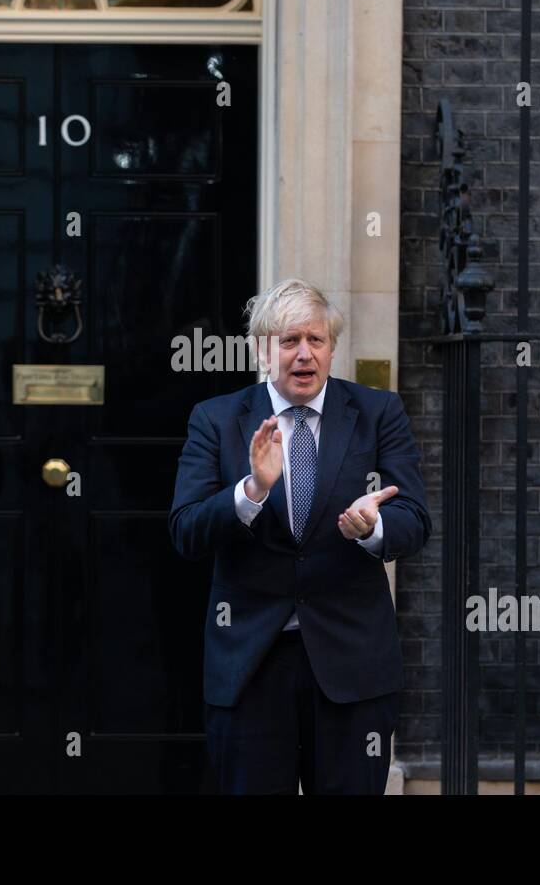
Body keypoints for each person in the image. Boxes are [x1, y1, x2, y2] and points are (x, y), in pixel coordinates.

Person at [169, 278, 431, 794]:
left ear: (333, 347)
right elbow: (186, 529)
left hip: (352, 666)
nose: (304, 354)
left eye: (316, 340)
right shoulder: (217, 419)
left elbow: (415, 519)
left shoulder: (378, 413)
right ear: (265, 349)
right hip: (250, 666)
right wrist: (251, 489)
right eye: (289, 341)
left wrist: (373, 526)